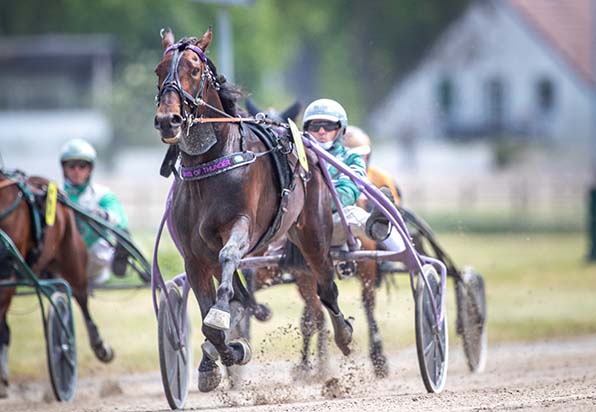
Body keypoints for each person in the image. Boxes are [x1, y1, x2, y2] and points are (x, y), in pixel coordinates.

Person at [302, 98, 405, 254]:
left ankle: (400, 251)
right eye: (314, 126)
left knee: (353, 214)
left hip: (333, 223)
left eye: (329, 125)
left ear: (340, 129)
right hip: (299, 226)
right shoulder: (295, 157)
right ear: (306, 129)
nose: (321, 131)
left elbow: (349, 191)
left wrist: (317, 204)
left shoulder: (351, 158)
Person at [59, 138, 129, 286]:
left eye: (82, 165)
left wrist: (102, 214)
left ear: (90, 168)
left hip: (96, 259)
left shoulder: (102, 194)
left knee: (115, 237)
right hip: (64, 259)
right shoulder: (56, 194)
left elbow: (120, 220)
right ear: (64, 168)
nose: (77, 170)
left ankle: (119, 259)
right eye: (71, 166)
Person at [343, 125, 401, 208]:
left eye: (360, 156)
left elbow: (395, 208)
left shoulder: (380, 177)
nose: (354, 161)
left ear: (367, 156)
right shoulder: (331, 180)